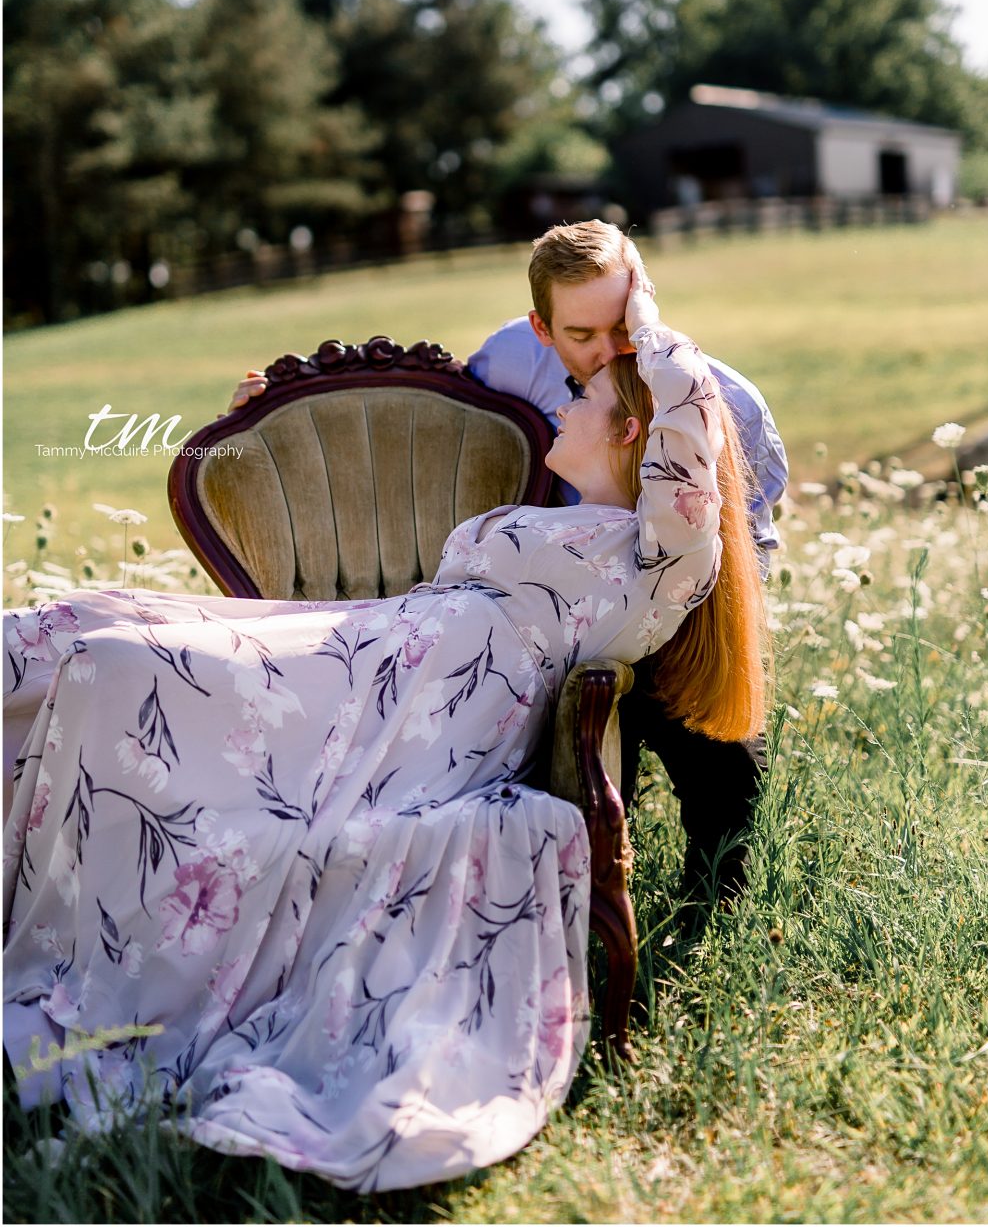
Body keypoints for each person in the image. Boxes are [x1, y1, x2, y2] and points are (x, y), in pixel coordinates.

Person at [3, 270, 769, 1193]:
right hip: (367, 651)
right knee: (62, 633)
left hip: (404, 717)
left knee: (113, 669)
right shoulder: (564, 519)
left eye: (588, 395)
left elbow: (691, 406)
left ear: (636, 431)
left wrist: (642, 318)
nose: (565, 403)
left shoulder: (655, 558)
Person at [226, 220, 788, 904]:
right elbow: (429, 431)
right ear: (542, 329)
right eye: (581, 336)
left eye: (623, 328)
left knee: (715, 758)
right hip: (542, 605)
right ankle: (591, 872)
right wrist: (272, 414)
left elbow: (735, 565)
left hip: (664, 598)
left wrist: (648, 621)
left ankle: (713, 909)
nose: (609, 352)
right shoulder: (511, 364)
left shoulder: (727, 405)